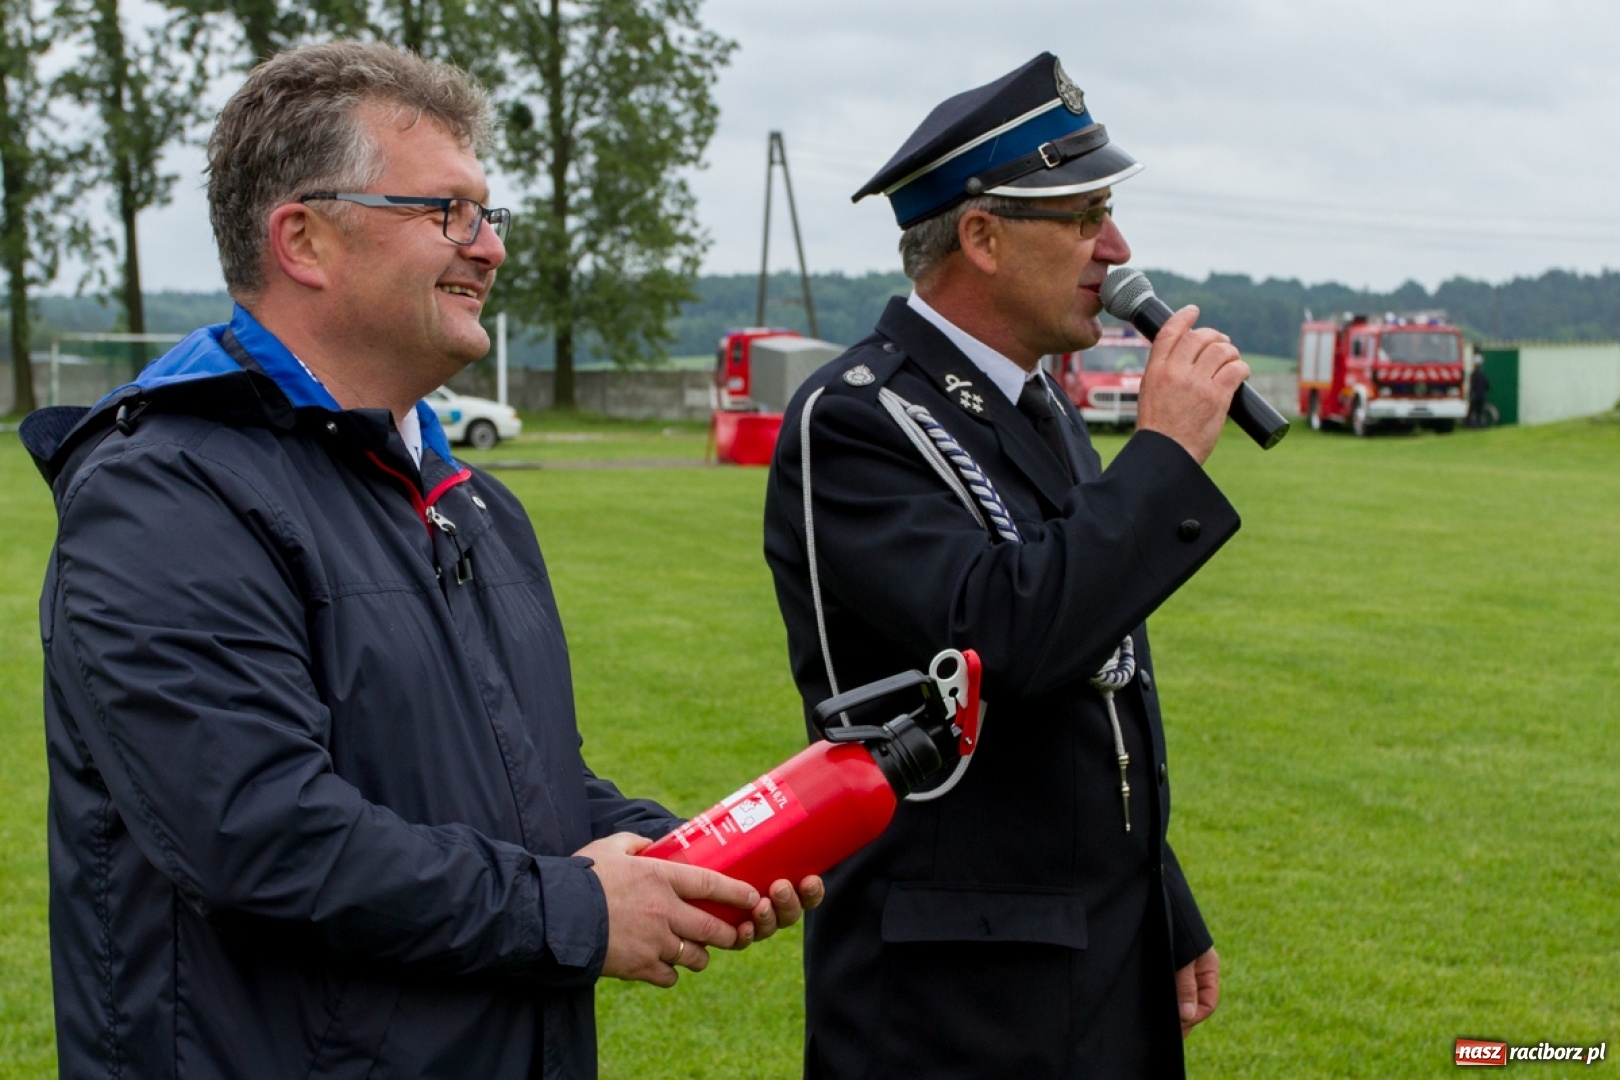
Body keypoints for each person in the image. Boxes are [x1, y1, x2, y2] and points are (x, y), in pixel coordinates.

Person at [22, 41, 817, 1080]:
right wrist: (576, 909)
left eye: (487, 215)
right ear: (304, 239)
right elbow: (258, 833)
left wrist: (692, 862)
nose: (486, 248)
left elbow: (525, 786)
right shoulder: (165, 493)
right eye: (445, 212)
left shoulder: (471, 500)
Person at [763, 54, 1246, 1078]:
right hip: (957, 994)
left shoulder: (1038, 406)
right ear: (980, 236)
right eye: (1082, 218)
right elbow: (1008, 639)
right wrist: (1159, 463)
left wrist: (1158, 893)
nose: (1115, 251)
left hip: (1092, 942)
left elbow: (1094, 685)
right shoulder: (858, 416)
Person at [1468, 348, 1492, 427]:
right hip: (1482, 396)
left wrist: (1470, 394)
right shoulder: (1483, 374)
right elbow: (1487, 385)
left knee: (1473, 411)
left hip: (1475, 396)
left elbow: (1472, 386)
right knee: (1480, 412)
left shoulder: (1473, 374)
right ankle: (1480, 425)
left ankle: (1472, 425)